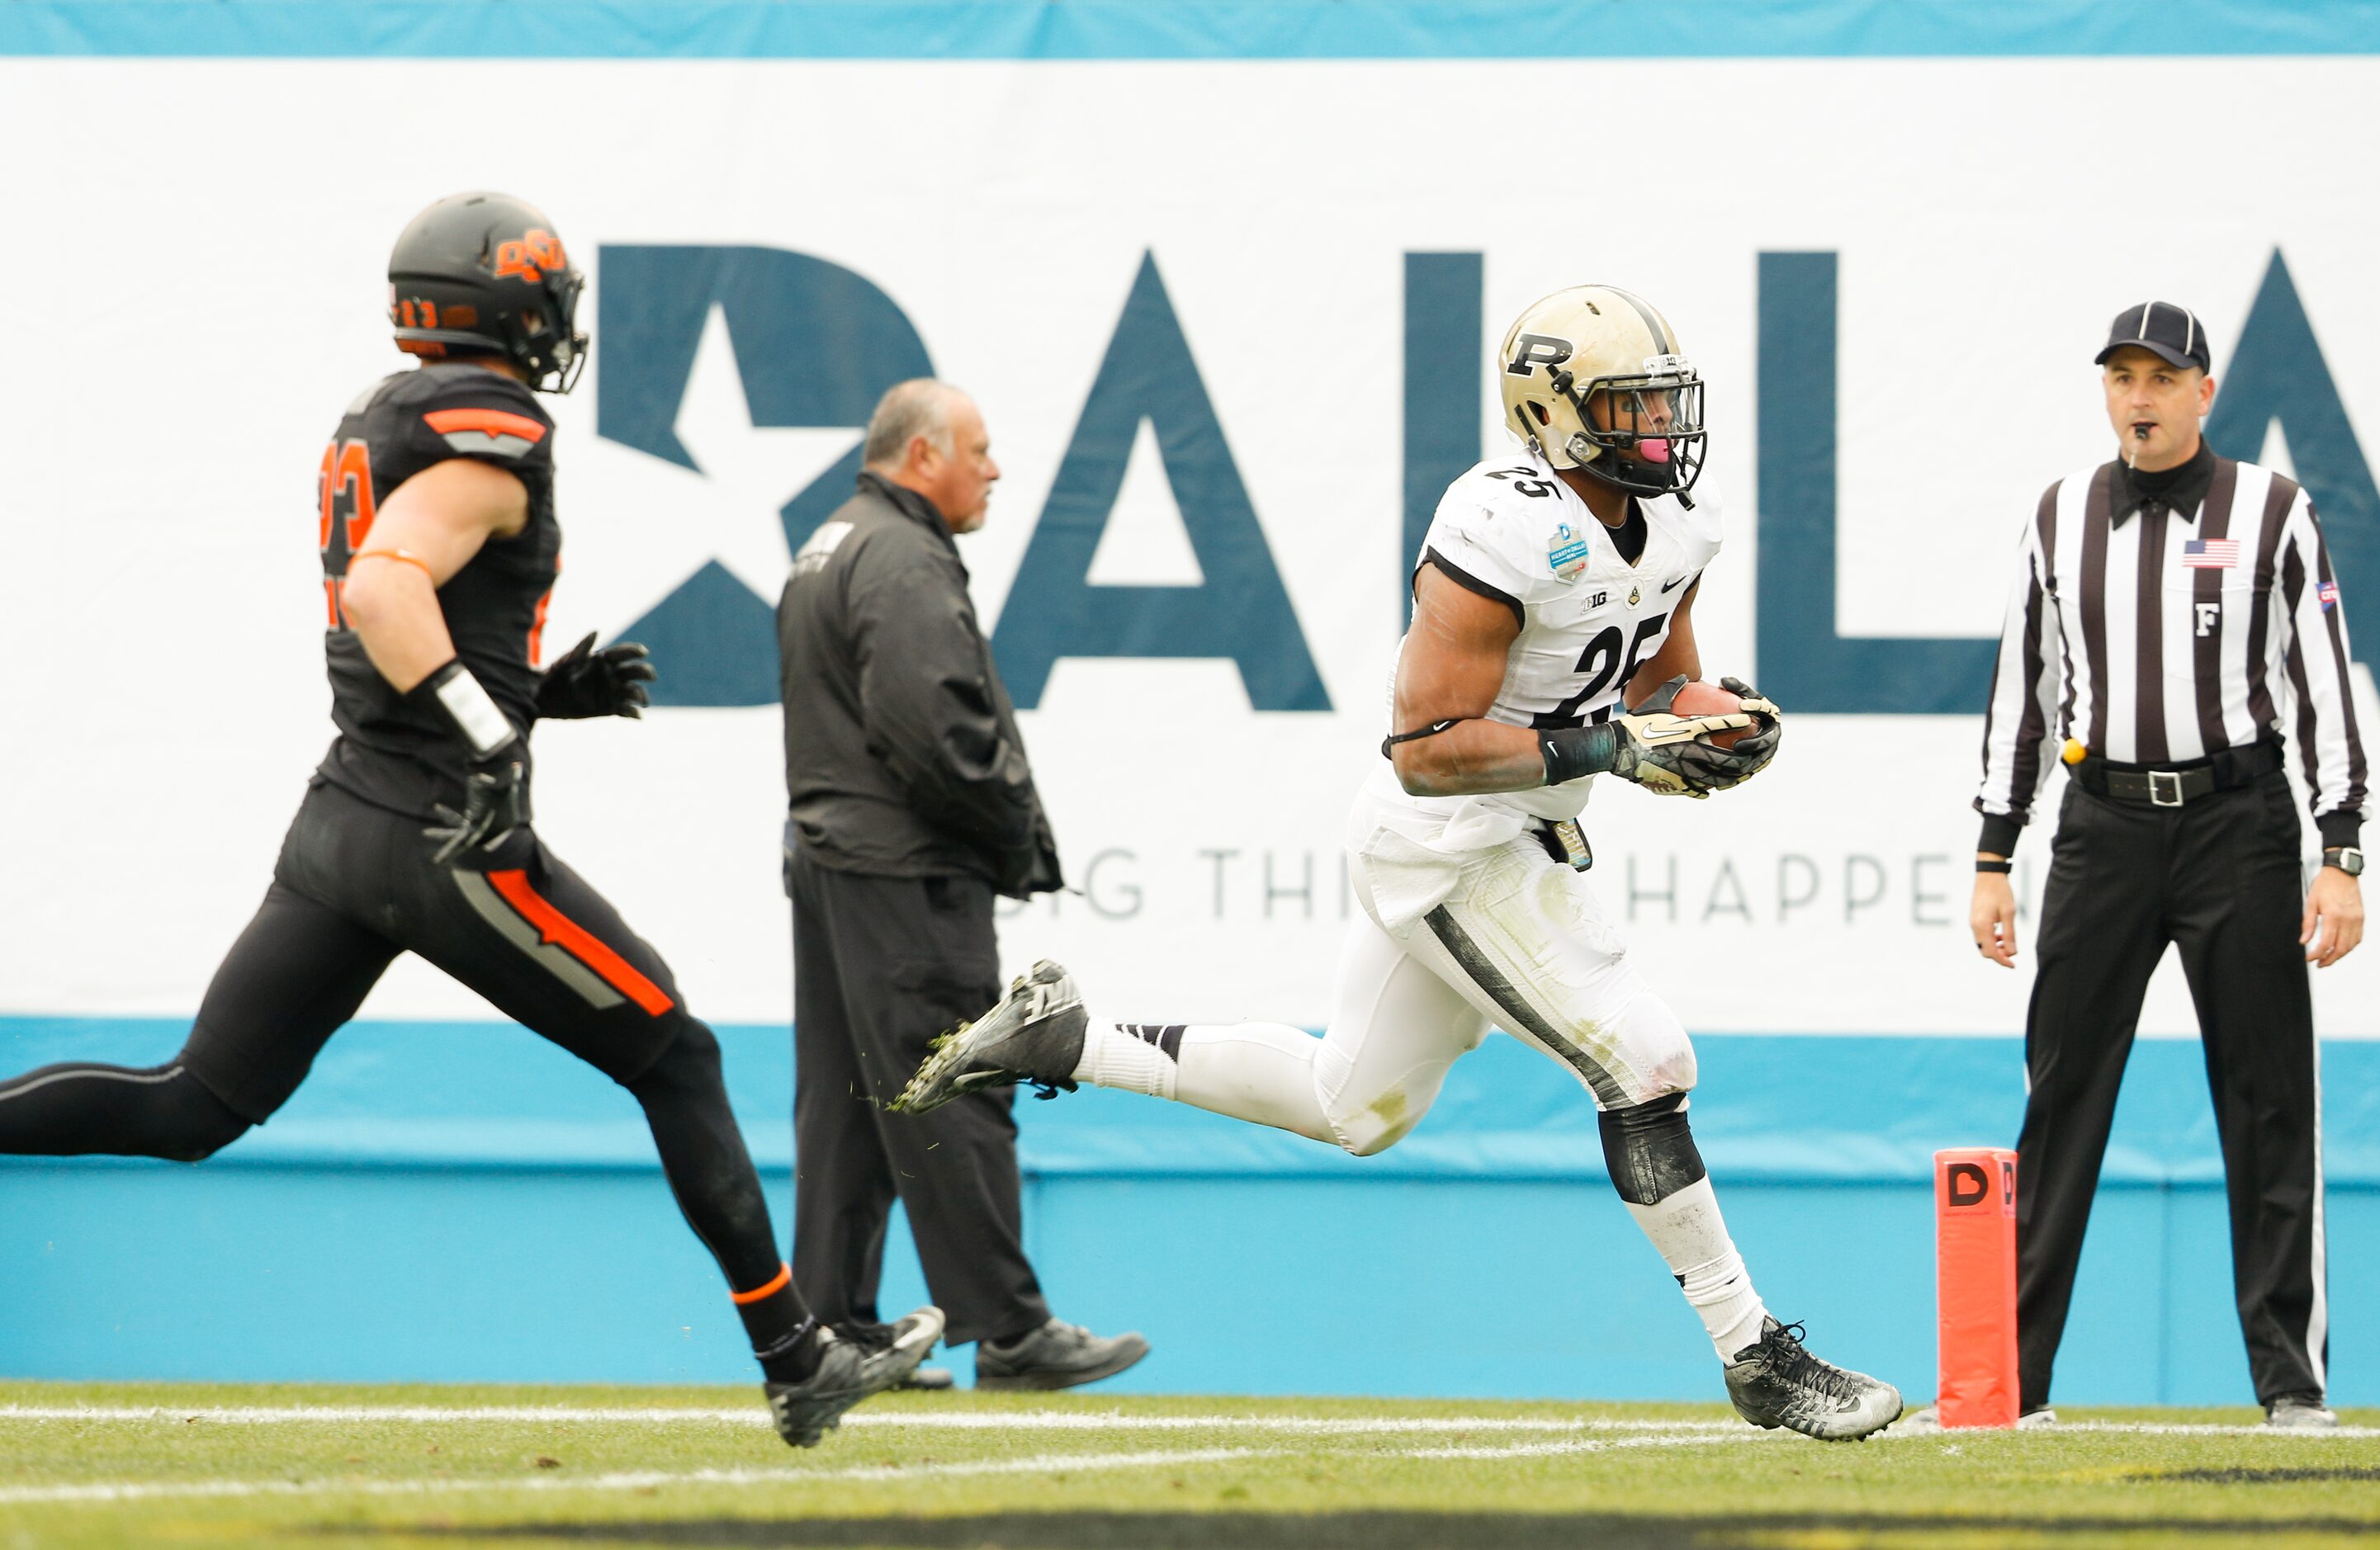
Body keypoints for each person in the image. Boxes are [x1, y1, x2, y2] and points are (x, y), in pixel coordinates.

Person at [0, 192, 938, 1446]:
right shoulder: (488, 428)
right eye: (546, 295)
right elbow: (388, 589)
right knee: (677, 1053)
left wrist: (537, 692)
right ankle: (795, 1352)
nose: (559, 321)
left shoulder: (386, 416)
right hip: (443, 836)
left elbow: (403, 608)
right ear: (505, 302)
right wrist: (494, 730)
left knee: (192, 1105)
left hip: (348, 817)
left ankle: (796, 1347)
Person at [898, 286, 1905, 1441]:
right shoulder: (1499, 523)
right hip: (1446, 846)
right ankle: (1754, 1352)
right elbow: (1429, 751)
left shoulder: (1679, 514)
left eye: (1665, 402)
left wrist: (1712, 719)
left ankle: (1070, 1037)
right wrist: (1616, 750)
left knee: (1355, 1107)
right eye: (1629, 406)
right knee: (1644, 1060)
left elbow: (1656, 677)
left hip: (1511, 833)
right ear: (1555, 412)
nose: (1659, 431)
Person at [1966, 300, 2370, 1430]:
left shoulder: (2273, 511)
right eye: (2121, 376)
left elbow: (2324, 686)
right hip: (2101, 828)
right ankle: (2014, 1382)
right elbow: (2024, 693)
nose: (2138, 396)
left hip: (2238, 823)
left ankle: (2291, 1383)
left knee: (2268, 1096)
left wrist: (2339, 851)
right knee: (2062, 1097)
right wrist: (1995, 852)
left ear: (2205, 390)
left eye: (2161, 376)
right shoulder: (2059, 515)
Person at [778, 379, 1149, 1392]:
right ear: (921, 455)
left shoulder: (834, 540)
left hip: (831, 861)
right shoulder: (902, 557)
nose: (993, 470)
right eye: (978, 450)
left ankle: (838, 1334)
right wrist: (1006, 830)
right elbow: (931, 730)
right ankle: (1012, 1331)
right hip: (905, 868)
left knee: (850, 1102)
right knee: (960, 1076)